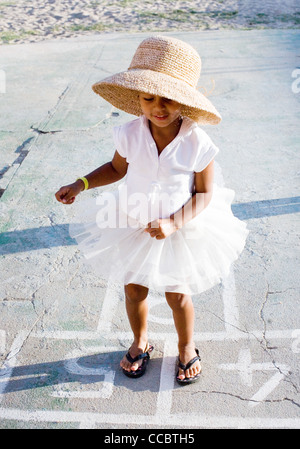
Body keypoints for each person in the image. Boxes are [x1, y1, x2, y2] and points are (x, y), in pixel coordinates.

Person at [55, 36, 248, 385]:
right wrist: (80, 183)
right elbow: (116, 169)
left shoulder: (196, 141)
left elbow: (204, 194)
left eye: (169, 99)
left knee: (177, 294)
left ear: (184, 102)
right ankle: (140, 340)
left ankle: (187, 346)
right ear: (138, 99)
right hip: (132, 221)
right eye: (149, 98)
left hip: (179, 227)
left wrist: (174, 223)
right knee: (134, 289)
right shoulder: (129, 132)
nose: (158, 107)